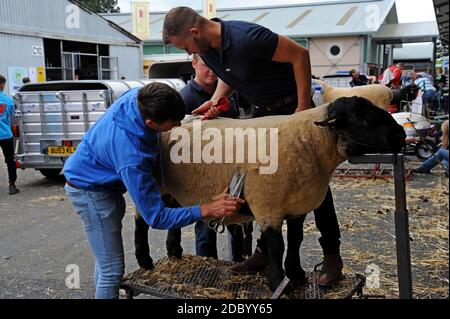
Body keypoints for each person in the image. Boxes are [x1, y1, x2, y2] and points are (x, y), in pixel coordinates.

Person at [163, 7, 343, 287]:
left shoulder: (248, 37)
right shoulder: (209, 47)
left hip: (293, 112)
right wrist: (216, 100)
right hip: (263, 117)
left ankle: (332, 256)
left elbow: (300, 55)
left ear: (194, 32)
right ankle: (263, 252)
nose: (188, 54)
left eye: (185, 46)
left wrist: (303, 107)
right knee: (259, 184)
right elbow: (229, 74)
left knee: (315, 185)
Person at [63, 82, 244, 299]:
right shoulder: (132, 157)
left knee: (106, 263)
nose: (178, 125)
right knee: (112, 269)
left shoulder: (138, 97)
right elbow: (156, 217)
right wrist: (207, 209)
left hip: (100, 181)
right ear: (150, 123)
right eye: (173, 123)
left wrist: (193, 117)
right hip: (91, 193)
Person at [169, 53, 252, 262]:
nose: (212, 71)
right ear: (194, 64)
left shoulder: (230, 92)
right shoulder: (184, 98)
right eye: (206, 65)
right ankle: (207, 267)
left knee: (239, 218)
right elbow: (173, 138)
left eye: (216, 66)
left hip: (232, 168)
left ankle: (240, 264)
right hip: (200, 173)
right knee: (206, 222)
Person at [0, 75, 20, 195]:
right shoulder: (8, 100)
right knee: (10, 160)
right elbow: (13, 118)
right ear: (2, 85)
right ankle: (12, 185)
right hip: (5, 134)